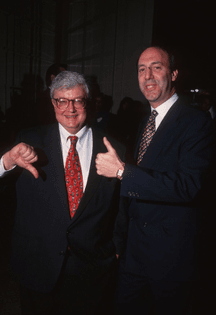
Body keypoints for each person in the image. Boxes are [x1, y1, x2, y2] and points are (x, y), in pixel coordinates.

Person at [95, 46, 215, 314]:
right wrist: (119, 241)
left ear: (173, 74)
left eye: (156, 67)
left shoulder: (196, 123)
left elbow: (188, 187)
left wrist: (123, 171)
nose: (147, 75)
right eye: (141, 69)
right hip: (132, 258)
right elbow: (131, 193)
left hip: (172, 262)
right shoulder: (144, 123)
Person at [0, 71, 125, 315]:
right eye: (62, 101)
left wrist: (117, 248)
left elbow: (121, 206)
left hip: (92, 273)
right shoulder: (28, 141)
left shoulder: (114, 148)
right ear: (53, 103)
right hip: (38, 269)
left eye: (77, 100)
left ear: (88, 102)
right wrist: (6, 161)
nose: (70, 108)